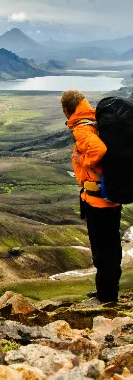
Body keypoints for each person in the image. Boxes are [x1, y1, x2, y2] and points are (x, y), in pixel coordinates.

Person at [61, 89, 122, 304]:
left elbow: (98, 150)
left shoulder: (82, 129)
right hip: (110, 195)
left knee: (102, 251)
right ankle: (108, 291)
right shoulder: (95, 121)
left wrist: (83, 161)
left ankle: (107, 298)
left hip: (98, 201)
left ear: (67, 110)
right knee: (112, 247)